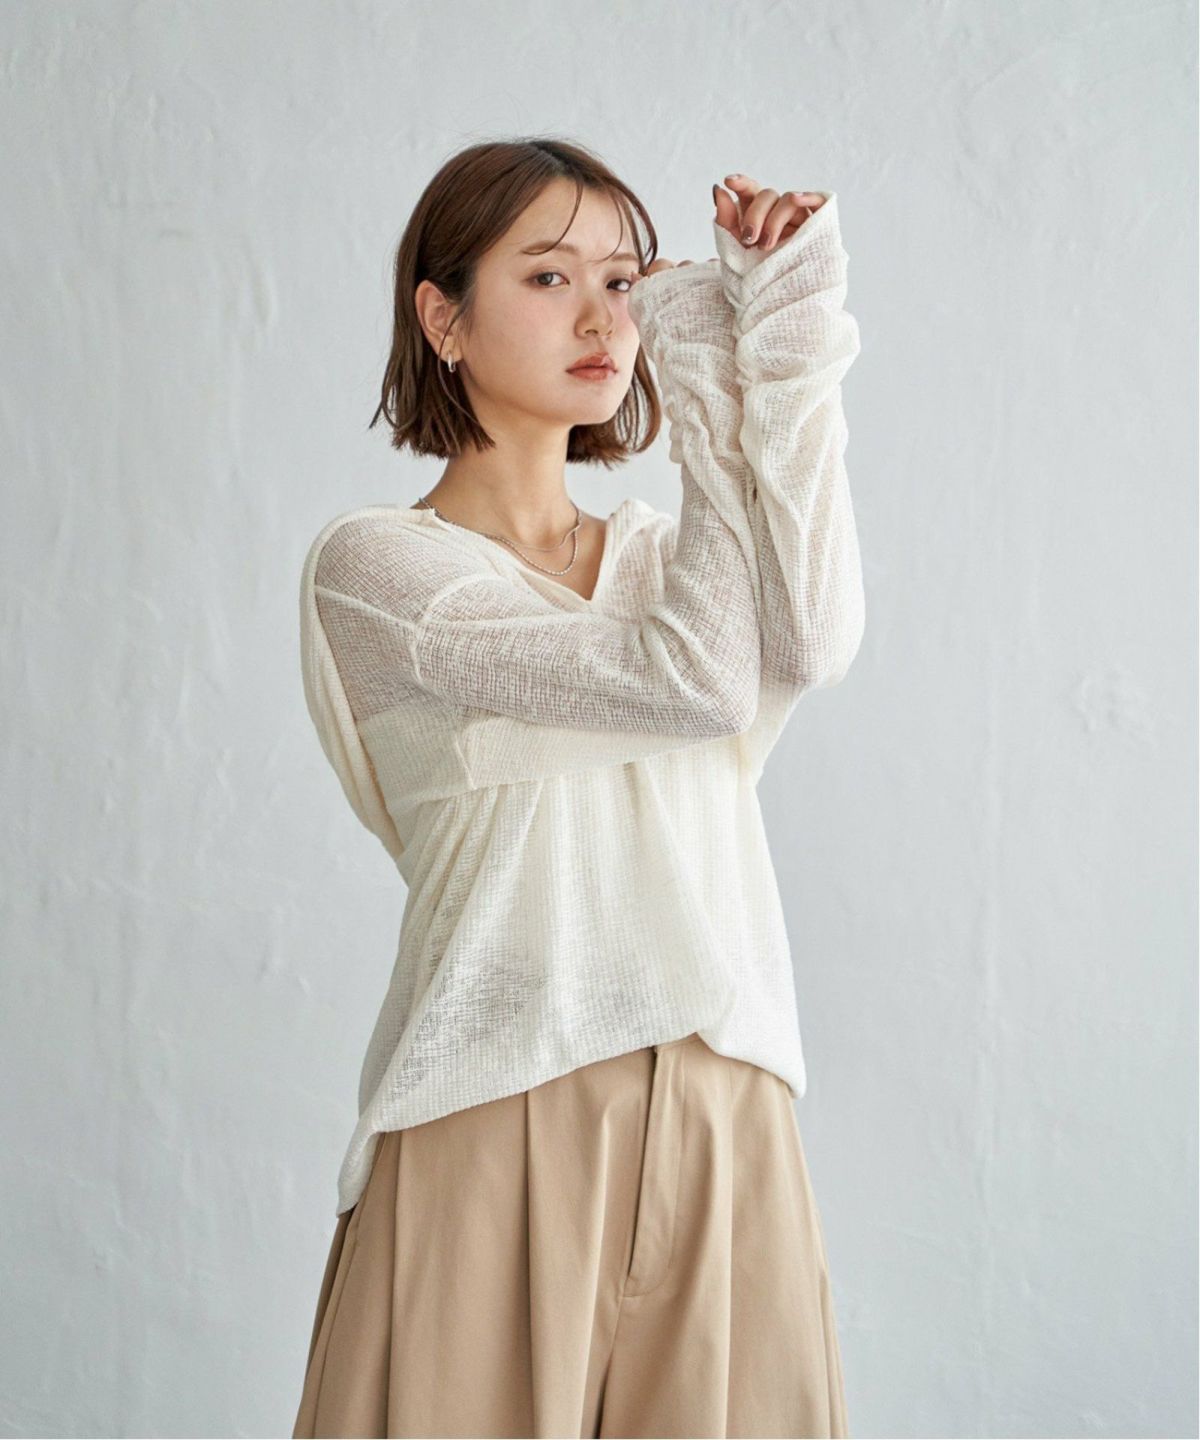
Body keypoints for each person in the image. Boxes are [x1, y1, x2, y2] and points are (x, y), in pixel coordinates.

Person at [292, 135, 863, 1439]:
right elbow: (694, 679)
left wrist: (785, 314)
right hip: (493, 1111)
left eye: (625, 280)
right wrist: (704, 375)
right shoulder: (382, 577)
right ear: (442, 317)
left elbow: (814, 632)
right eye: (549, 277)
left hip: (727, 1114)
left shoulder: (672, 557)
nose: (607, 319)